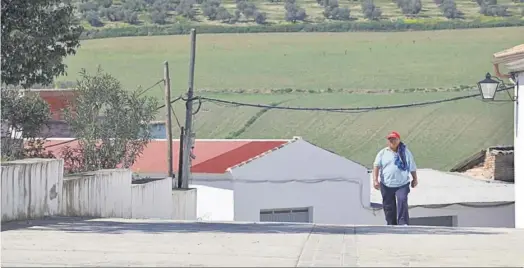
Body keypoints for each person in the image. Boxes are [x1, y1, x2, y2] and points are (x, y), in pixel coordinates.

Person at [372, 131, 418, 226]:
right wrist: (375, 180)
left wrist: (415, 179)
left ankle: (403, 223)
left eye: (394, 139)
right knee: (388, 205)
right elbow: (376, 166)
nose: (392, 141)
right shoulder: (383, 153)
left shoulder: (405, 152)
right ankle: (391, 224)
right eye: (390, 139)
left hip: (402, 184)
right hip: (387, 184)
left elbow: (412, 166)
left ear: (399, 140)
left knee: (402, 200)